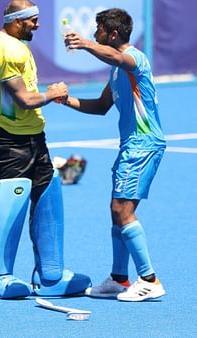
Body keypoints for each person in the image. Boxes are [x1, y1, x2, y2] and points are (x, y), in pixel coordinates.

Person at [0, 0, 91, 298]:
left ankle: (50, 276)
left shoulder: (17, 45)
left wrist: (47, 96)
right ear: (16, 21)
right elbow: (24, 99)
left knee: (48, 195)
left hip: (34, 135)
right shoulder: (4, 49)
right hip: (9, 139)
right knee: (10, 204)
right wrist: (52, 94)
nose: (38, 25)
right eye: (33, 21)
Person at [60, 8, 166, 301]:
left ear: (113, 34)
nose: (96, 34)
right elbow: (102, 105)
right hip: (131, 145)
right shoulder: (117, 70)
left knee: (123, 211)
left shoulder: (134, 59)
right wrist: (65, 100)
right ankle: (119, 279)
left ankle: (150, 280)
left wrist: (84, 44)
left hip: (143, 145)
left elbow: (117, 57)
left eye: (99, 30)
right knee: (116, 210)